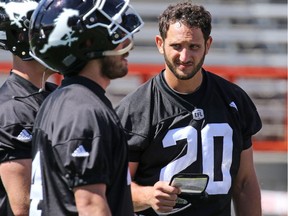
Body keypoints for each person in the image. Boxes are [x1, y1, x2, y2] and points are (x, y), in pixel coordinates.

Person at [116, 2, 262, 216]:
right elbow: (116, 189)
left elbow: (244, 183)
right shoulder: (135, 109)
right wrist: (147, 196)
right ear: (160, 43)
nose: (185, 57)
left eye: (193, 47)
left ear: (208, 45)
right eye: (177, 46)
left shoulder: (234, 100)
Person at [28, 0, 143, 215]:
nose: (127, 42)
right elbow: (90, 204)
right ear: (90, 42)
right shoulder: (84, 110)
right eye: (115, 33)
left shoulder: (64, 100)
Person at [0, 1, 57, 215]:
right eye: (51, 32)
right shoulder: (12, 110)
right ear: (24, 39)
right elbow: (24, 206)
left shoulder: (51, 93)